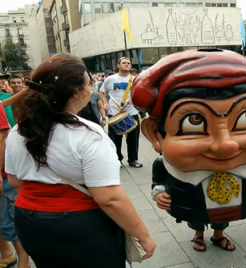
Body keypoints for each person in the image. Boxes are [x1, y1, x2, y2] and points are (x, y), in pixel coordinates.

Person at [5, 54, 156, 267]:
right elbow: (110, 198)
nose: (91, 88)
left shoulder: (17, 130)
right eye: (88, 83)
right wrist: (143, 235)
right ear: (76, 92)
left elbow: (15, 181)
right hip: (79, 225)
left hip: (29, 221)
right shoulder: (89, 134)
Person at [132, 49, 246, 252]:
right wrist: (160, 192)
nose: (226, 145)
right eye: (194, 121)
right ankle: (198, 235)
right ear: (156, 135)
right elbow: (159, 179)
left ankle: (218, 235)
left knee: (221, 218)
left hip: (229, 203)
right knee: (197, 218)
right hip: (192, 201)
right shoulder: (165, 165)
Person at [0, 104, 31, 268]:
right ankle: (6, 255)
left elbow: (1, 138)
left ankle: (24, 261)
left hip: (4, 177)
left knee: (10, 220)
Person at [99, 57, 142, 168]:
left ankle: (133, 159)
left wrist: (135, 99)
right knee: (115, 138)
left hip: (131, 112)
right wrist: (104, 103)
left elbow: (140, 92)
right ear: (118, 65)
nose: (127, 64)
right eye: (124, 63)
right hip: (115, 112)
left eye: (128, 63)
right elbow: (101, 91)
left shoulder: (135, 79)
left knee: (133, 138)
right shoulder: (110, 79)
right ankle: (117, 159)